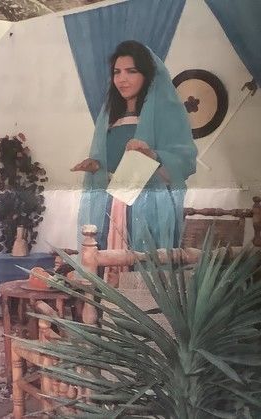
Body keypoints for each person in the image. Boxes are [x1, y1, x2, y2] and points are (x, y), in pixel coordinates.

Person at [71, 40, 197, 284]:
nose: (122, 79)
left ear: (147, 74)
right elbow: (112, 163)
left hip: (150, 209)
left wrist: (153, 155)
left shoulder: (167, 112)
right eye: (117, 72)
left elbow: (185, 161)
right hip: (113, 207)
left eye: (131, 71)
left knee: (145, 274)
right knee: (109, 270)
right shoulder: (110, 115)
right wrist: (96, 165)